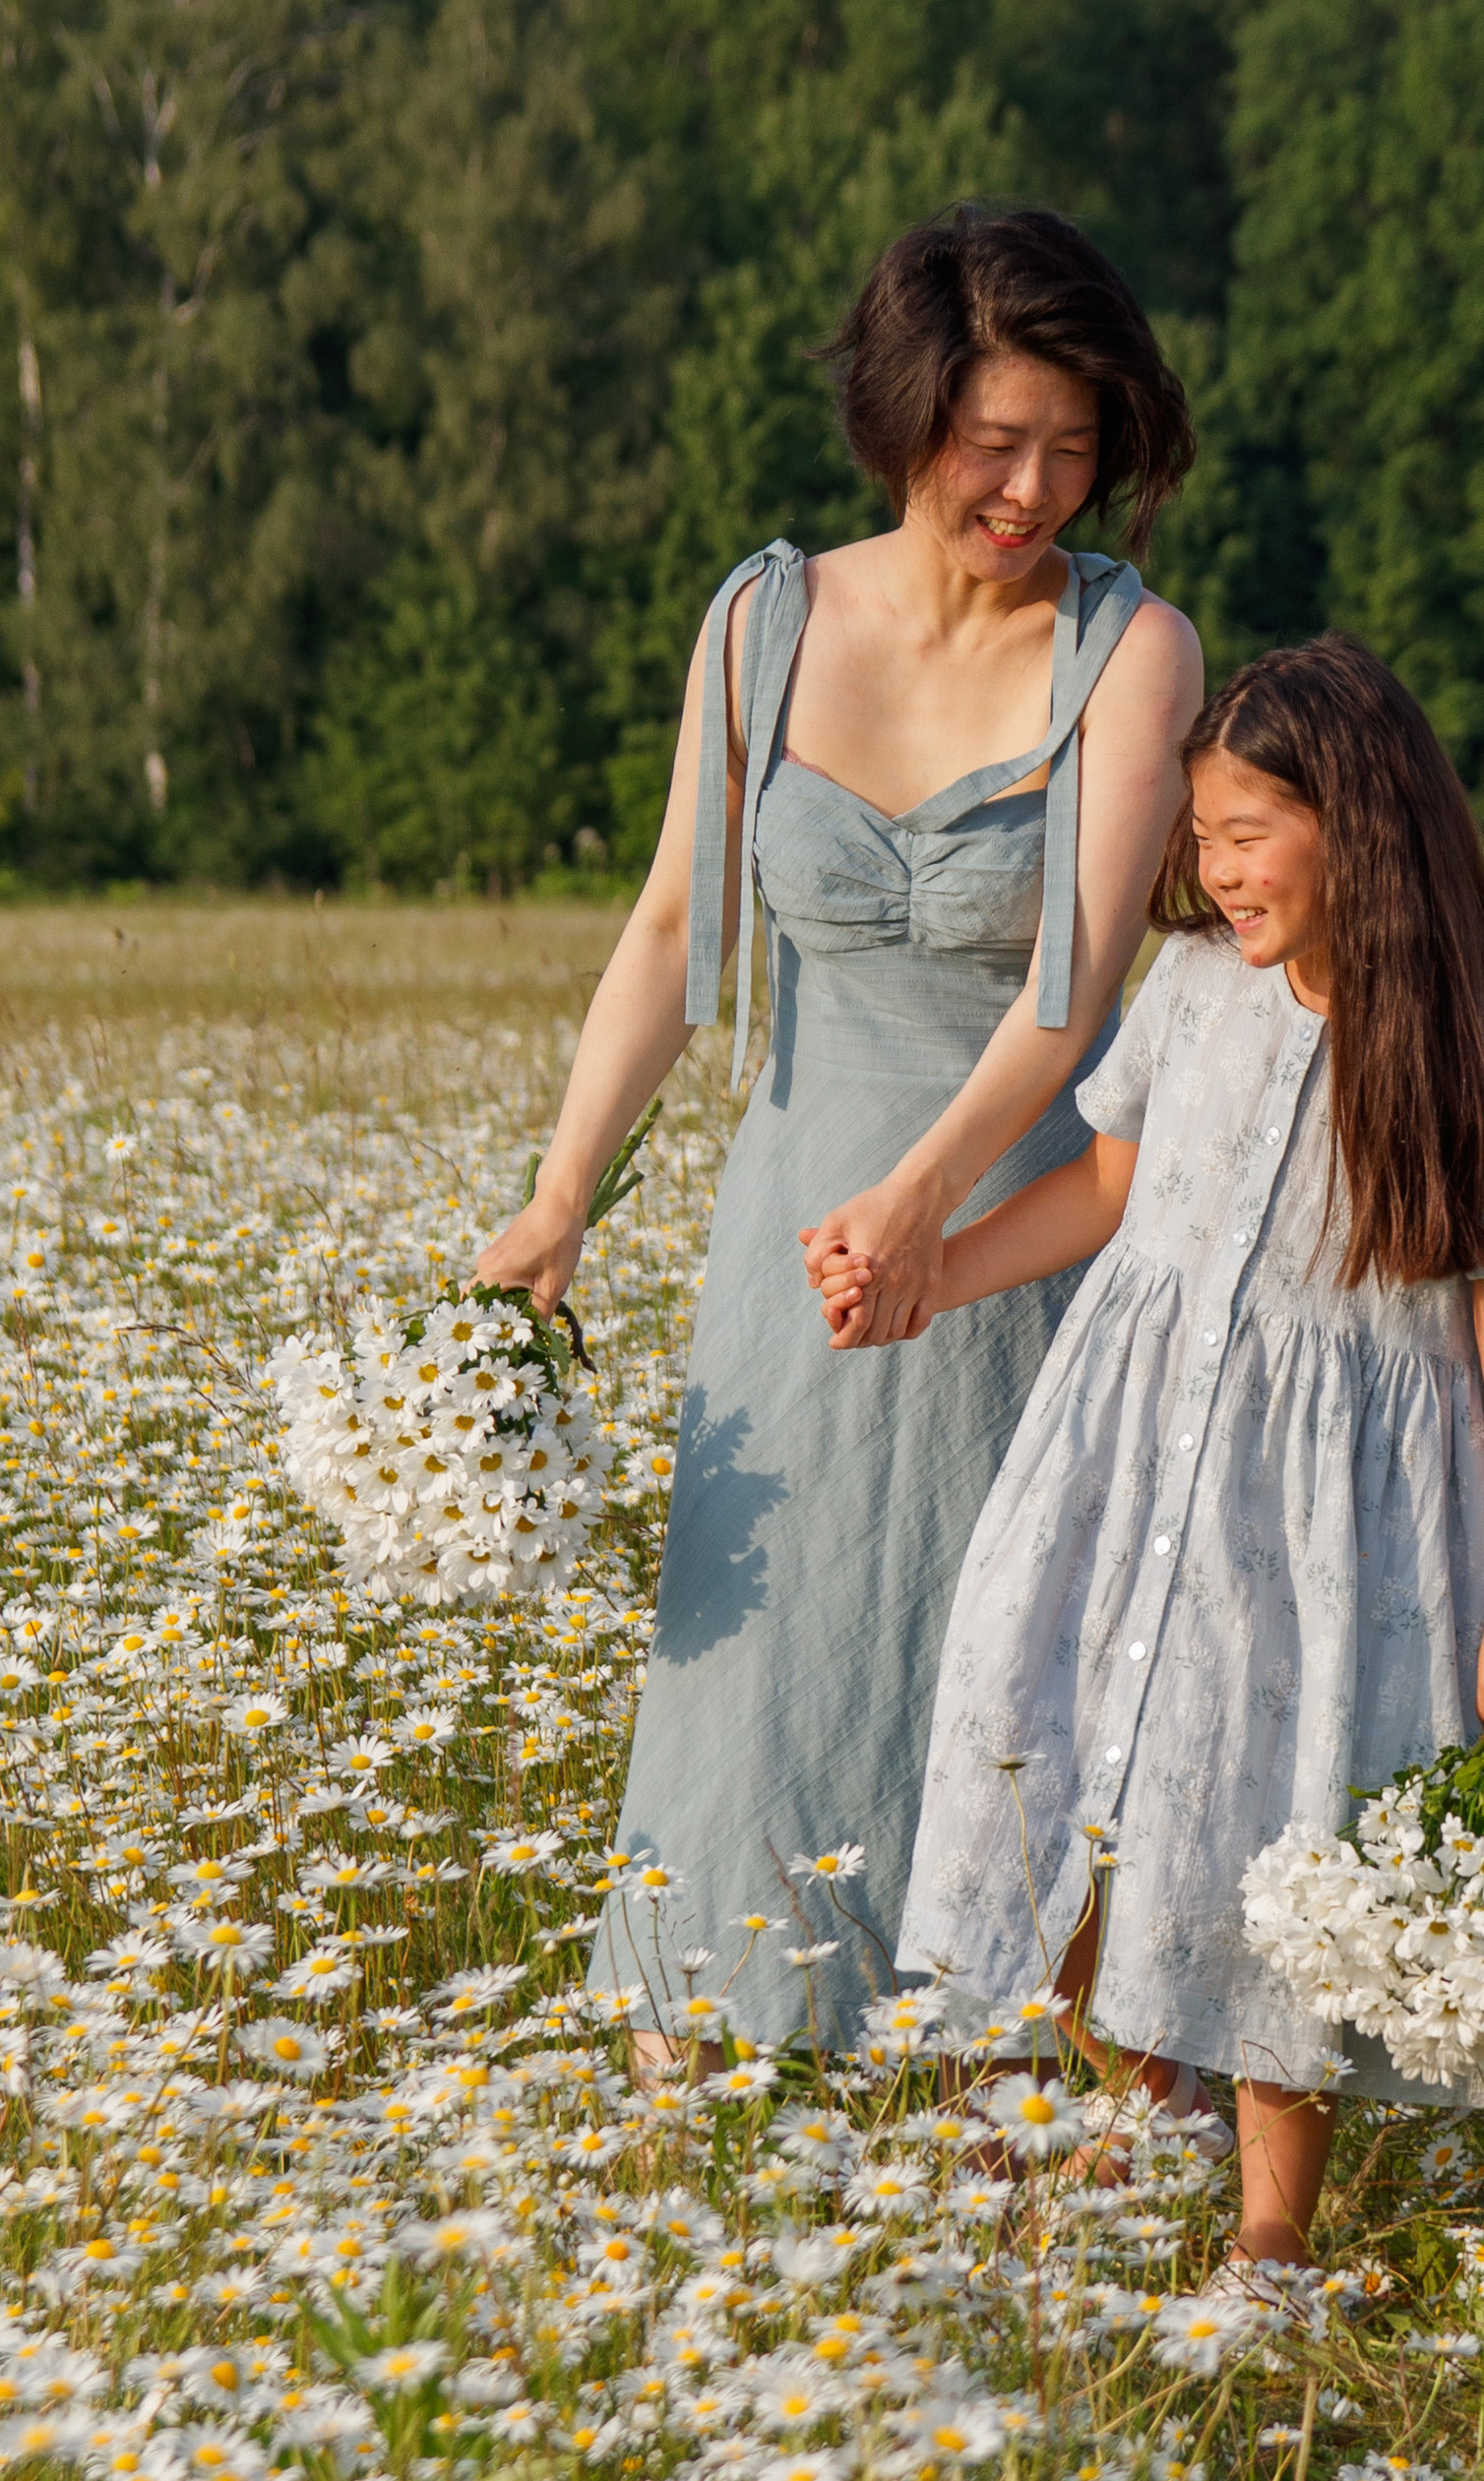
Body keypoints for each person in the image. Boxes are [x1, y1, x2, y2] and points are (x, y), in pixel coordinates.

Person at [474, 205, 1202, 2077]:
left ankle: (1021, 2087)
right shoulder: (764, 622)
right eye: (994, 447)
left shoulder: (1134, 653)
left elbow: (1073, 990)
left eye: (1073, 443)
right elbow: (662, 931)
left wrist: (924, 1199)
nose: (1037, 488)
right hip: (794, 1227)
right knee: (769, 1651)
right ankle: (704, 2068)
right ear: (902, 425)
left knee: (1016, 1648)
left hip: (1026, 1222)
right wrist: (562, 1199)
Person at [821, 634, 1484, 2277]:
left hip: (1323, 1533)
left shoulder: (1474, 1069)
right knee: (1066, 1752)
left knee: (1273, 1827)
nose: (1218, 871)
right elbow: (1107, 1195)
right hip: (1120, 1455)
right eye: (1205, 835)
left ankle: (1269, 2237)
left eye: (1252, 834)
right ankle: (1133, 2095)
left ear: (1358, 828)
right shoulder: (1190, 996)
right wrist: (938, 1271)